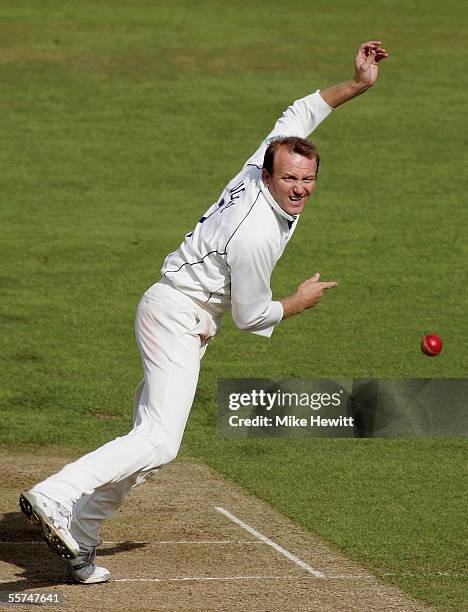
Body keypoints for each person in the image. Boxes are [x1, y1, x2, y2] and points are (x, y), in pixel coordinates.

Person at [19, 41, 388, 584]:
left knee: (147, 443)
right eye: (290, 180)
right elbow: (251, 315)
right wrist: (295, 303)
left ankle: (81, 534)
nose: (300, 189)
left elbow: (303, 111)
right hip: (177, 315)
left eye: (307, 180)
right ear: (268, 176)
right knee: (161, 441)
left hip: (176, 310)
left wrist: (356, 84)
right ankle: (56, 495)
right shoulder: (256, 236)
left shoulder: (260, 162)